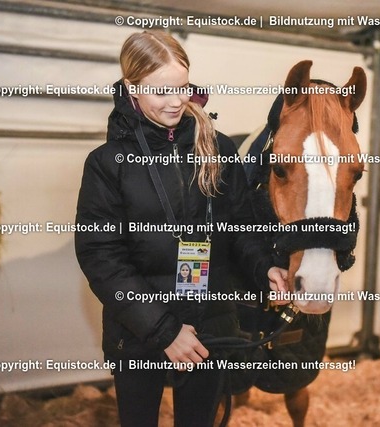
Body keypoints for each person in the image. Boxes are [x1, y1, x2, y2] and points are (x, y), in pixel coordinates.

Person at [74, 30, 288, 427]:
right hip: (138, 330)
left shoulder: (218, 148)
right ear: (132, 87)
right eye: (161, 91)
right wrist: (165, 331)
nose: (176, 101)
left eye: (183, 87)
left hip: (210, 324)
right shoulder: (108, 163)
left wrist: (266, 268)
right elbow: (102, 258)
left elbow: (242, 227)